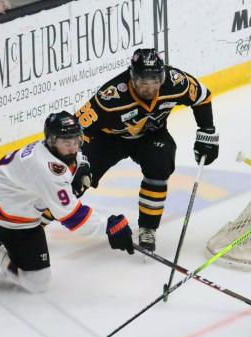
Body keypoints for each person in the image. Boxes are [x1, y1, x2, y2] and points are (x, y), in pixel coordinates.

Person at [0, 112, 134, 292]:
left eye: (75, 140)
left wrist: (82, 165)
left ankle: (0, 246)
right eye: (66, 142)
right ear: (52, 141)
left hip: (22, 219)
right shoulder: (46, 167)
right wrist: (108, 228)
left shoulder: (59, 151)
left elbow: (79, 159)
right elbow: (70, 216)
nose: (72, 147)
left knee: (37, 282)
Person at [69, 48, 219, 252]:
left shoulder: (176, 82)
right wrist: (81, 160)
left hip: (151, 136)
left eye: (155, 81)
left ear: (163, 76)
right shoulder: (110, 97)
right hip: (109, 140)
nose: (150, 88)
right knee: (74, 180)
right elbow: (77, 128)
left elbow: (202, 96)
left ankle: (148, 228)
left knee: (160, 164)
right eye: (143, 82)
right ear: (132, 77)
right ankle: (34, 221)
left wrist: (207, 131)